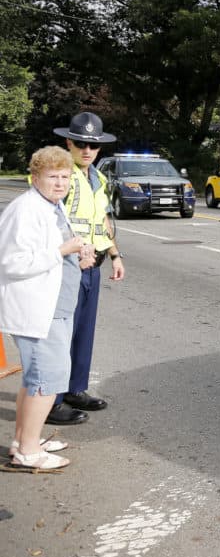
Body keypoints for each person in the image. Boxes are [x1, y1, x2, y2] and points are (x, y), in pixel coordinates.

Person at [1, 146, 94, 470]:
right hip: (40, 310)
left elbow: (58, 249)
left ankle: (25, 438)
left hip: (56, 306)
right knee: (47, 380)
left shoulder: (52, 205)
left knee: (35, 379)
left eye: (65, 176)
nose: (60, 183)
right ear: (35, 177)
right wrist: (61, 251)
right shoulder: (26, 209)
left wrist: (79, 254)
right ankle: (28, 451)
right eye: (52, 176)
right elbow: (11, 262)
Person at [46, 112, 125, 426]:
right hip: (68, 266)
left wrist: (116, 255)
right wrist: (74, 252)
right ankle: (50, 401)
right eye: (80, 143)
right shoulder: (60, 174)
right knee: (60, 334)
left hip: (92, 267)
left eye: (93, 144)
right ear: (68, 142)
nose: (87, 150)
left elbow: (102, 222)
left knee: (82, 332)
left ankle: (74, 389)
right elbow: (50, 219)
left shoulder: (98, 177)